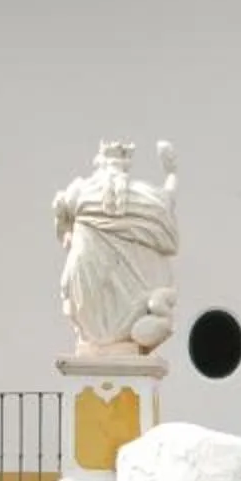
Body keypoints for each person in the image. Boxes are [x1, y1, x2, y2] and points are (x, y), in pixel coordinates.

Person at [52, 138, 179, 353]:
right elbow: (166, 203)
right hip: (111, 292)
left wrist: (67, 232)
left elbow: (61, 219)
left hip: (97, 292)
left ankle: (113, 331)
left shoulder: (80, 190)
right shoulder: (139, 194)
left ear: (99, 163)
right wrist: (171, 173)